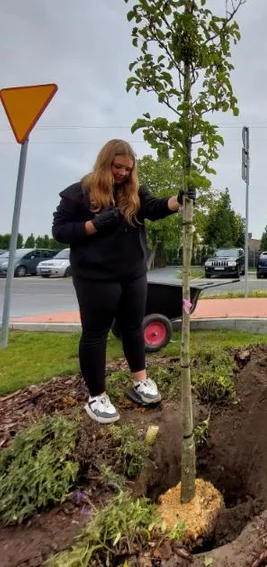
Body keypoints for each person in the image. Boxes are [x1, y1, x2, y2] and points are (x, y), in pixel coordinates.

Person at [52, 139, 195, 423]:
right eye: (118, 167)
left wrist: (179, 201)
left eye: (128, 169)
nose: (122, 173)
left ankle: (140, 381)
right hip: (95, 277)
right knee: (95, 333)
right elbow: (59, 230)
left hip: (133, 273)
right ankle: (96, 397)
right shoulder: (80, 193)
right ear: (106, 162)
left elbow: (153, 208)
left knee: (132, 326)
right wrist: (92, 225)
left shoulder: (134, 192)